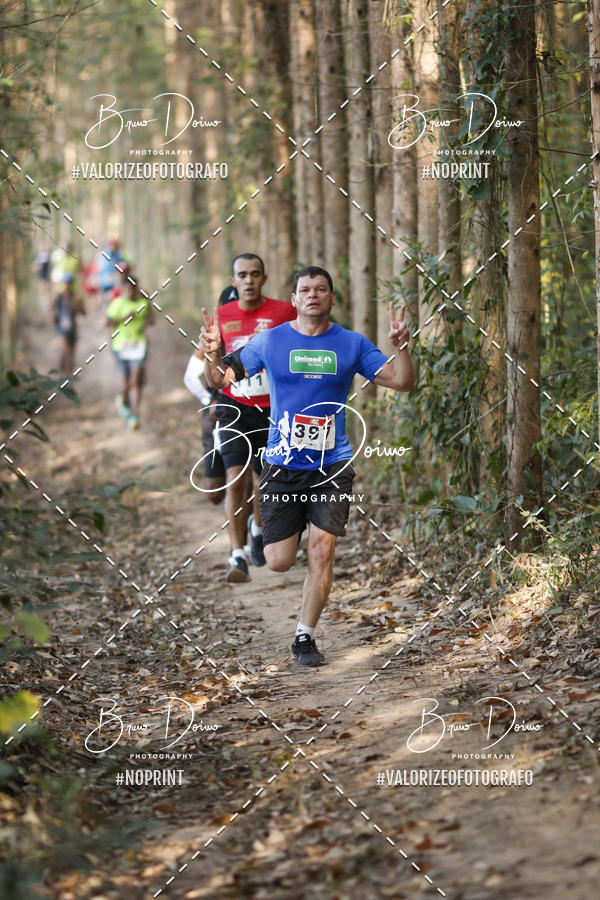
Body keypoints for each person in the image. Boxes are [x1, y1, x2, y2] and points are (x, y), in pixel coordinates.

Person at [201, 265, 414, 666]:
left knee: (321, 551)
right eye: (305, 289)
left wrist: (402, 345)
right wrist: (213, 354)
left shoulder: (351, 343)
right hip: (282, 465)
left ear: (332, 299)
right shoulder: (271, 341)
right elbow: (219, 379)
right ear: (294, 300)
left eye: (322, 289)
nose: (313, 294)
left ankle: (304, 636)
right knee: (279, 561)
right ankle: (264, 527)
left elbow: (401, 382)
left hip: (331, 463)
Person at [201, 253, 296, 583]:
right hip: (233, 406)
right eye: (242, 275)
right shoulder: (221, 315)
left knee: (263, 481)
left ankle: (259, 528)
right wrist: (211, 356)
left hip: (273, 408)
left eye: (255, 274)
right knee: (236, 480)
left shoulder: (284, 311)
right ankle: (236, 554)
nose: (249, 280)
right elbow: (213, 371)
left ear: (264, 279)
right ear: (233, 281)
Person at [183, 284, 239, 505]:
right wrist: (210, 401)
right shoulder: (211, 337)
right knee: (215, 494)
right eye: (230, 308)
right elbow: (190, 377)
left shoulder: (257, 335)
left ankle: (254, 531)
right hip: (218, 413)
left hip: (251, 411)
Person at [106, 269, 153, 430]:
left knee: (136, 380)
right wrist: (124, 318)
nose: (129, 292)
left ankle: (135, 415)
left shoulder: (142, 304)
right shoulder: (118, 303)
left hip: (138, 345)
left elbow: (152, 321)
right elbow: (108, 322)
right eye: (126, 289)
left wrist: (149, 301)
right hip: (120, 346)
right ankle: (124, 401)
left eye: (132, 289)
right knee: (126, 382)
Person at [53, 271, 85, 375]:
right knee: (65, 349)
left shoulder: (76, 297)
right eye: (66, 282)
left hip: (72, 326)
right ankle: (64, 373)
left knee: (71, 350)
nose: (67, 285)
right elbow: (54, 311)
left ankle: (67, 374)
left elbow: (84, 312)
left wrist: (76, 305)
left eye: (69, 282)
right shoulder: (58, 296)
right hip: (62, 327)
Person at [98, 239, 125, 307]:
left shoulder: (118, 255)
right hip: (104, 283)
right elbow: (101, 269)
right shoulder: (104, 255)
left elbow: (121, 265)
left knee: (114, 300)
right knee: (105, 302)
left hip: (115, 282)